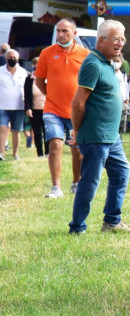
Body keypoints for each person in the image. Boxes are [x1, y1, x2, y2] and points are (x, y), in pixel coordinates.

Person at [69, 20, 130, 234]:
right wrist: (77, 131)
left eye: (122, 39)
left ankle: (111, 221)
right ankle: (77, 227)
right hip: (96, 137)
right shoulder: (93, 64)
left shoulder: (107, 63)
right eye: (116, 39)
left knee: (121, 172)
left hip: (110, 136)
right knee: (90, 183)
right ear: (101, 40)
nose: (120, 43)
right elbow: (78, 103)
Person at [36, 19, 90, 197]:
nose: (60, 34)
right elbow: (39, 79)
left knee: (78, 150)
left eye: (65, 31)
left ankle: (76, 182)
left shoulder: (85, 55)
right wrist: (50, 95)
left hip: (77, 110)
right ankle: (56, 187)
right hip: (52, 109)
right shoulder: (47, 53)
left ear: (74, 33)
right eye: (58, 31)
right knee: (55, 143)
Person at [0, 49, 28, 161]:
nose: (12, 59)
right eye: (10, 57)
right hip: (2, 106)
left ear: (18, 58)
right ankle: (1, 152)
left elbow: (28, 89)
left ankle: (15, 153)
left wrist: (28, 106)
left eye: (15, 57)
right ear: (6, 59)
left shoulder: (23, 72)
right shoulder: (0, 71)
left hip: (19, 106)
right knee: (2, 128)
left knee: (16, 131)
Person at [24, 56, 48, 158]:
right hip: (35, 110)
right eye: (35, 65)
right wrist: (28, 108)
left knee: (47, 132)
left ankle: (48, 153)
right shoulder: (29, 79)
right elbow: (27, 96)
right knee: (37, 132)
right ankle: (40, 154)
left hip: (48, 109)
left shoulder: (49, 78)